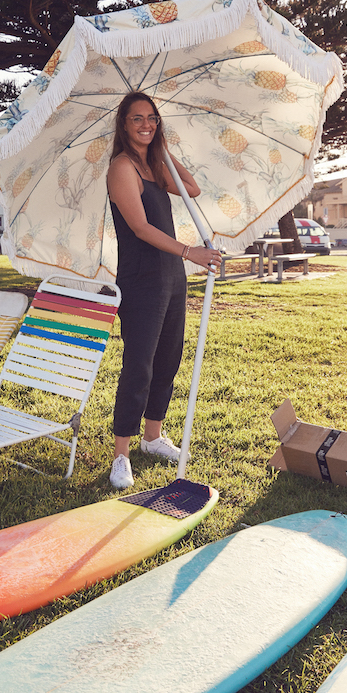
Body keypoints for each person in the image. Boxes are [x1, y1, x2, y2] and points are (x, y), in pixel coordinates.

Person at [106, 91, 221, 489]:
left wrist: (164, 149)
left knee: (168, 360)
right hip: (141, 280)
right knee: (139, 365)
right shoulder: (122, 168)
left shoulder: (155, 166)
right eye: (137, 119)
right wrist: (193, 252)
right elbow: (140, 227)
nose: (146, 124)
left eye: (152, 118)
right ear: (123, 125)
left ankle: (152, 438)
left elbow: (192, 189)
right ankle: (121, 455)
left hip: (172, 278)